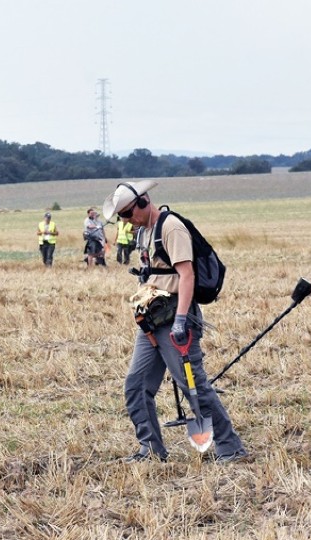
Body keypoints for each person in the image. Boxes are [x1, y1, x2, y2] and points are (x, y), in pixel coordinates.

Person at [102, 180, 248, 463]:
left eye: (129, 214)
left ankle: (231, 447)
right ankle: (151, 449)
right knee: (136, 384)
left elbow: (187, 275)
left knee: (193, 386)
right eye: (122, 218)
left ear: (144, 202)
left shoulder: (171, 228)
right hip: (152, 318)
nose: (127, 222)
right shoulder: (144, 232)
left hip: (176, 319)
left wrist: (181, 321)